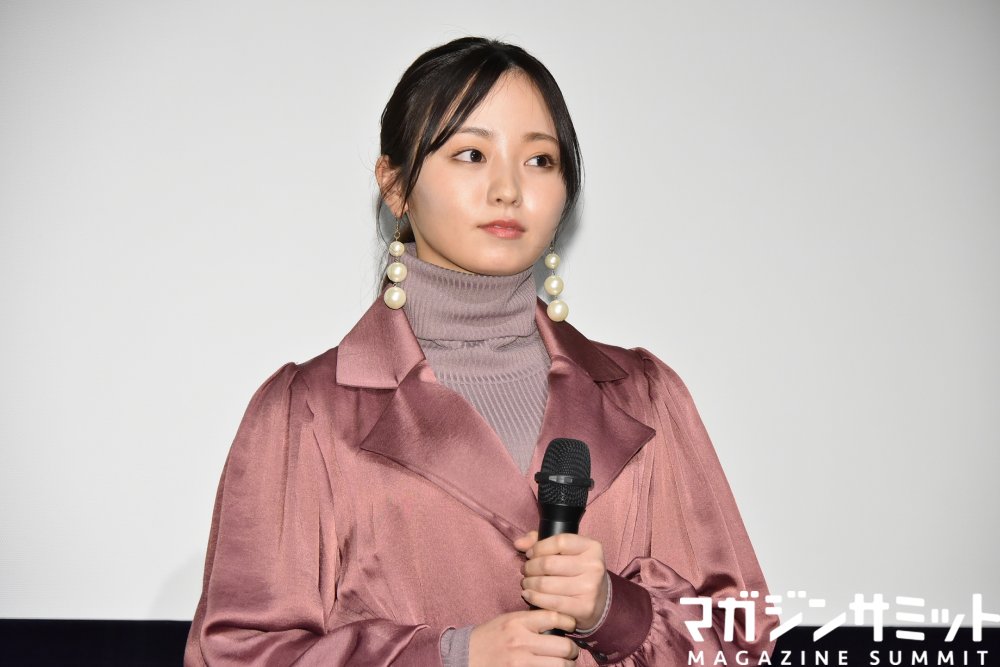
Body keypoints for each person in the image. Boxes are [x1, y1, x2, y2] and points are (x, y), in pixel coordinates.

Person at [184, 36, 778, 666]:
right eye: (471, 154)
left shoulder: (646, 395)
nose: (508, 189)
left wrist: (616, 613)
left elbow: (747, 645)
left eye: (540, 160)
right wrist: (452, 656)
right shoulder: (308, 412)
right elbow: (236, 656)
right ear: (394, 185)